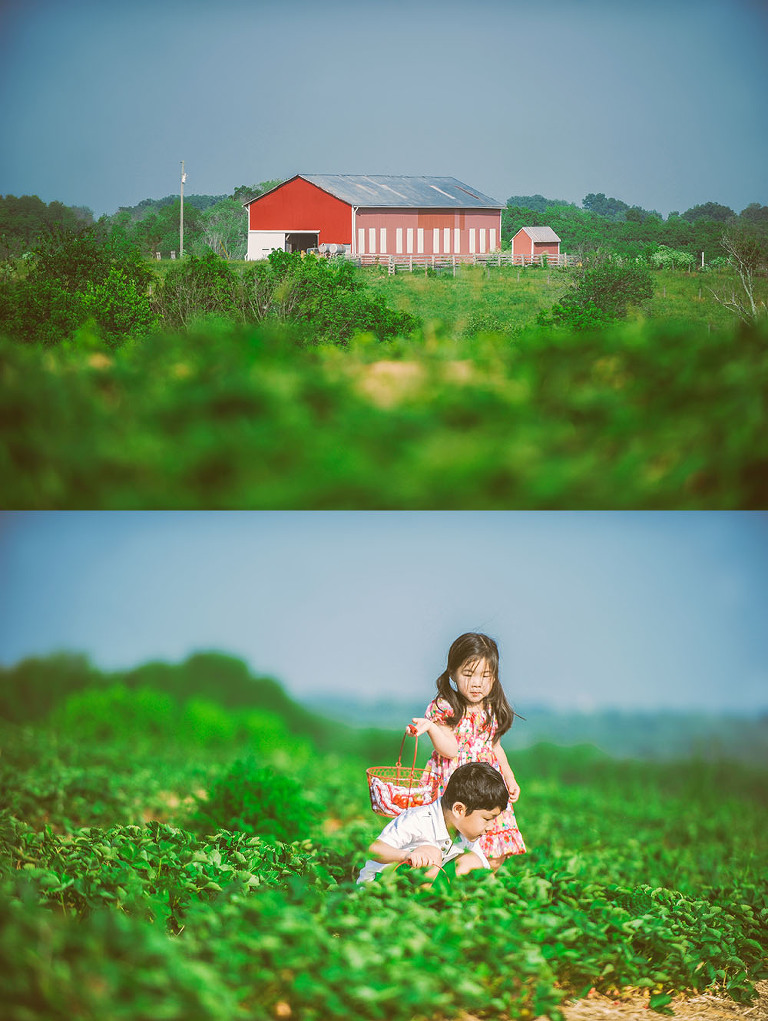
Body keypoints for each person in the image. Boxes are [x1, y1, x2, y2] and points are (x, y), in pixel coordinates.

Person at [409, 632, 526, 871]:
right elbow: (451, 749)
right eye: (468, 674)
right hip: (454, 783)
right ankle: (444, 883)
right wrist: (431, 727)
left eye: (485, 676)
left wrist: (510, 777)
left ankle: (481, 886)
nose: (477, 683)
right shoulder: (446, 706)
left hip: (485, 785)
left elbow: (494, 746)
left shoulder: (492, 709)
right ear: (452, 673)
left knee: (492, 850)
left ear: (494, 678)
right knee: (444, 842)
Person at [357, 761, 508, 883]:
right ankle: (416, 909)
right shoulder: (419, 819)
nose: (490, 827)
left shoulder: (464, 832)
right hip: (380, 883)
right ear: (459, 810)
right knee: (431, 853)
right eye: (487, 819)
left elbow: (484, 870)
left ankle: (443, 906)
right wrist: (405, 856)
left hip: (415, 881)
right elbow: (373, 850)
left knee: (472, 861)